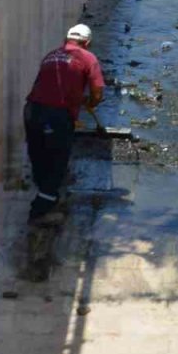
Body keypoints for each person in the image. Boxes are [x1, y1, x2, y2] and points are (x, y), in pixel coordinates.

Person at [23, 24, 105, 225]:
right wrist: (90, 103)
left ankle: (44, 194)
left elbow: (44, 85)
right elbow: (97, 93)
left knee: (38, 156)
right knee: (57, 163)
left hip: (31, 110)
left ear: (66, 39)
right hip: (56, 116)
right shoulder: (88, 57)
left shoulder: (51, 55)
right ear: (87, 43)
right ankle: (40, 212)